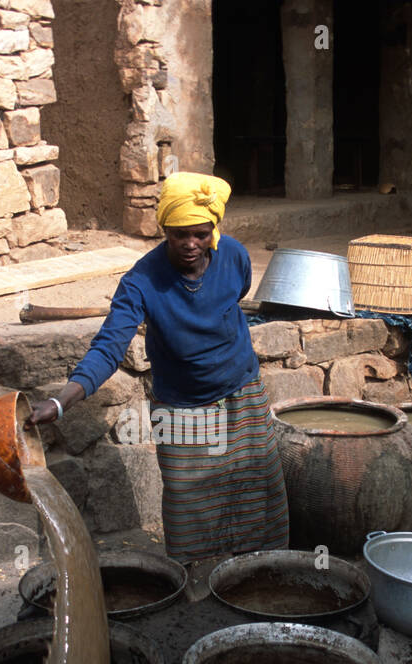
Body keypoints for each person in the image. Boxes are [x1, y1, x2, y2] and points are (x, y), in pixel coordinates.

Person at [27, 172, 289, 563]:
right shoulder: (141, 281)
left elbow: (238, 292)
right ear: (163, 228)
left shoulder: (233, 255)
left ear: (214, 229)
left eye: (200, 233)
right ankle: (198, 581)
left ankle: (257, 572)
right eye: (178, 234)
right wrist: (62, 400)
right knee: (190, 498)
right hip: (183, 404)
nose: (190, 244)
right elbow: (109, 347)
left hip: (242, 391)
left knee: (254, 483)